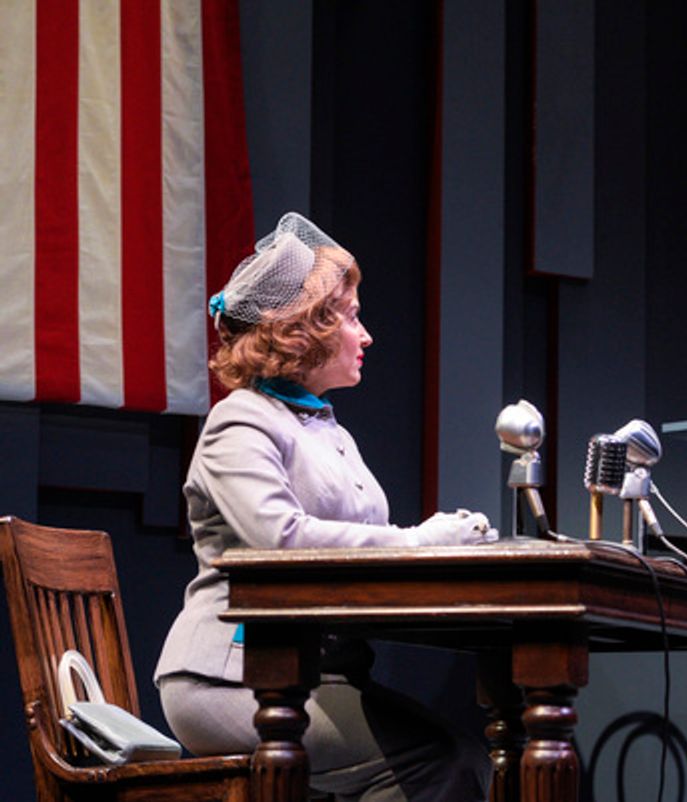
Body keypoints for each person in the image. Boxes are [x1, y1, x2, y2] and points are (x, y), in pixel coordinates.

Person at [155, 212, 493, 802]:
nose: (366, 336)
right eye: (353, 317)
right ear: (305, 330)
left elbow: (364, 556)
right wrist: (421, 541)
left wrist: (453, 548)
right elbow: (283, 540)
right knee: (440, 761)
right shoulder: (240, 421)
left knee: (464, 758)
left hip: (314, 675)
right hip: (233, 678)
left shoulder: (328, 431)